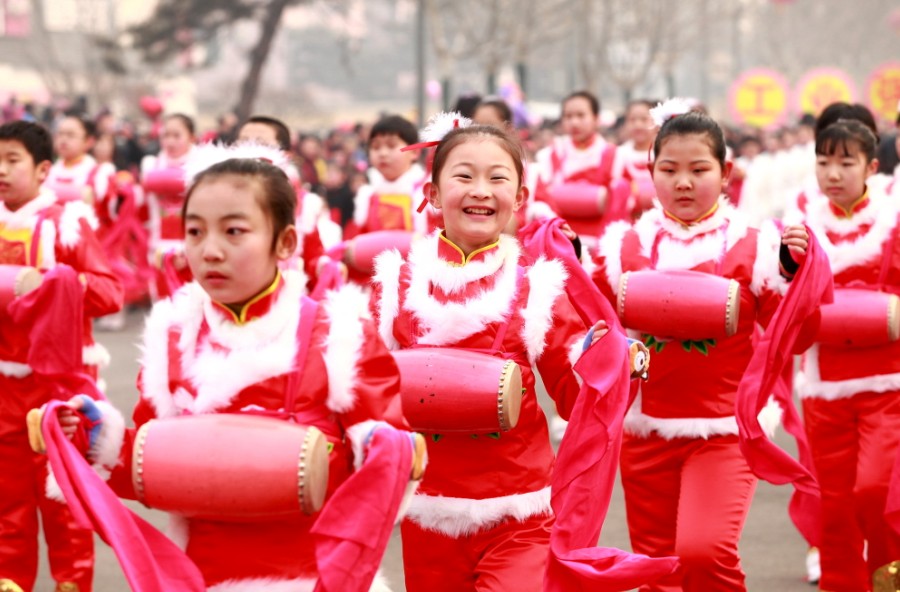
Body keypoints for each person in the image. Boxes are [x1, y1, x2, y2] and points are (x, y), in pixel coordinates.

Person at [55, 152, 417, 590]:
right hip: (201, 575)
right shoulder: (174, 338)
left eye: (233, 231)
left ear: (285, 243)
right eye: (195, 232)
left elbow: (389, 469)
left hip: (314, 577)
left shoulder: (338, 334)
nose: (209, 251)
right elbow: (153, 469)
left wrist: (380, 452)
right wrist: (96, 441)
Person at [372, 123, 608, 591]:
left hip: (520, 509)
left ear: (519, 198)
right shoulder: (397, 285)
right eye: (464, 176)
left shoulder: (536, 286)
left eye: (497, 178)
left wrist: (607, 361)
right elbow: (369, 392)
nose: (480, 190)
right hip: (429, 512)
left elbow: (574, 395)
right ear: (432, 194)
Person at [591, 105, 811, 591]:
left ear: (725, 173)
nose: (683, 183)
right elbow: (588, 331)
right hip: (645, 432)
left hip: (725, 429)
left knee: (704, 551)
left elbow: (797, 335)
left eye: (699, 169)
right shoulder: (623, 248)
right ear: (651, 171)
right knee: (657, 568)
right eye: (669, 170)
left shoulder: (756, 246)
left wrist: (794, 275)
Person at [0, 120, 123, 592]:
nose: (2, 171)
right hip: (4, 387)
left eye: (12, 160)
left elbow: (110, 292)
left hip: (58, 388)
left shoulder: (65, 224)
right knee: (7, 505)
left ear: (42, 169)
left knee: (63, 502)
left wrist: (57, 285)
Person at [786, 119, 900, 592]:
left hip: (887, 383)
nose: (832, 173)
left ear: (871, 167)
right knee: (834, 503)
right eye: (823, 161)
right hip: (824, 384)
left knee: (874, 490)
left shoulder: (894, 220)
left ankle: (888, 577)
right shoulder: (802, 223)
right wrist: (787, 262)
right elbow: (783, 293)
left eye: (845, 163)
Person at [533, 90, 624, 251]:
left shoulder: (614, 156)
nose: (574, 122)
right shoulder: (550, 154)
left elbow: (618, 206)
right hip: (560, 241)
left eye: (581, 115)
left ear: (596, 119)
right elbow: (541, 200)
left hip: (601, 243)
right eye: (568, 116)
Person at [140, 113, 196, 300]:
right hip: (159, 245)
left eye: (177, 135)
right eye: (166, 135)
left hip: (193, 245)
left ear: (191, 137)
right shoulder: (151, 164)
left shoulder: (202, 166)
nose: (170, 142)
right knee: (162, 301)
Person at [611, 99, 658, 220]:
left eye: (644, 119)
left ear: (656, 122)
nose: (638, 125)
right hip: (628, 220)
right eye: (632, 120)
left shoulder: (663, 153)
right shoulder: (619, 153)